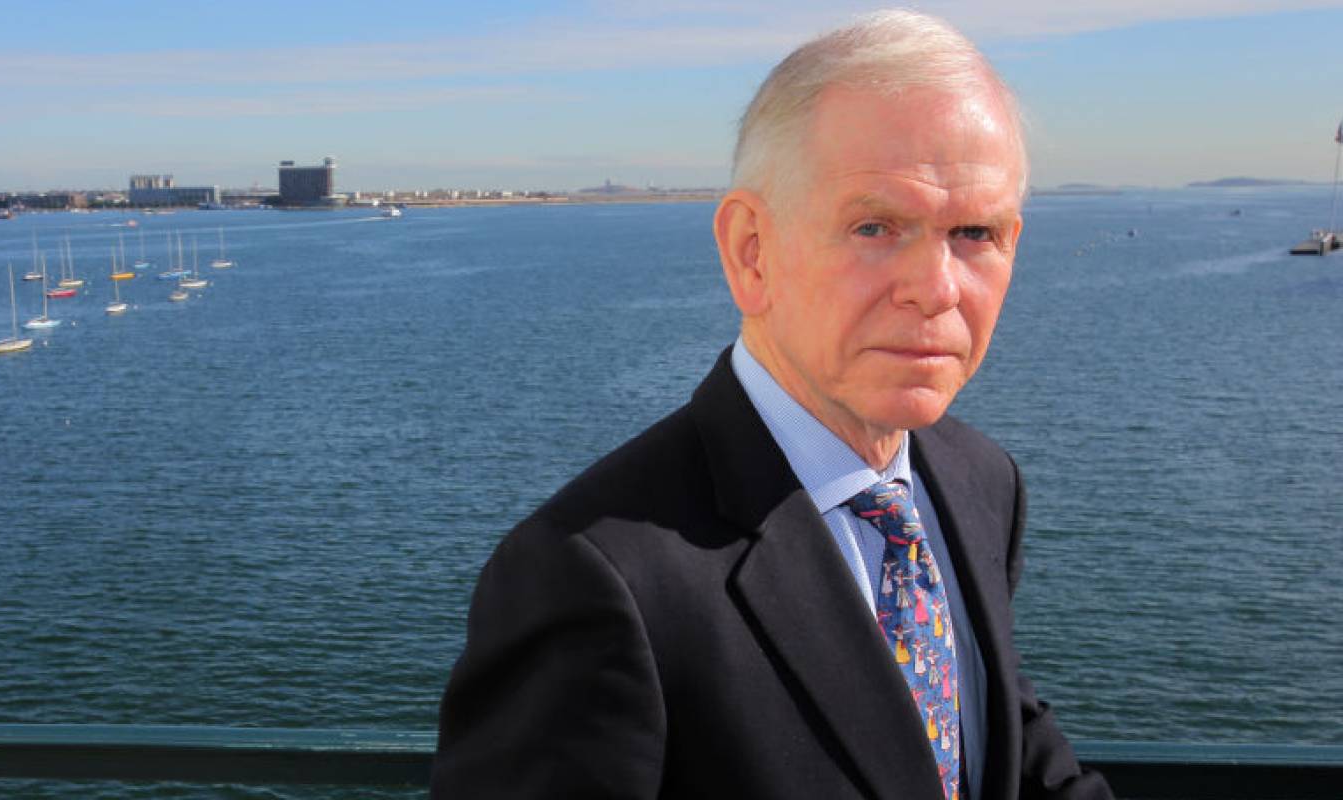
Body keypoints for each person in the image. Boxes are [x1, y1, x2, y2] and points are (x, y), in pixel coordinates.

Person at [432, 10, 1113, 800]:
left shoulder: (980, 481)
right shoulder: (594, 578)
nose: (937, 287)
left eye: (973, 232)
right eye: (875, 225)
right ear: (751, 251)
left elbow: (1007, 744)